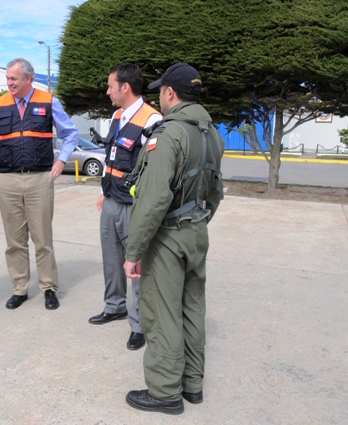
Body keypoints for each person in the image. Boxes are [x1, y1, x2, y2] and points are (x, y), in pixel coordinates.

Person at [122, 63, 224, 415]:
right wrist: (197, 222)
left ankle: (165, 391)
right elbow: (215, 192)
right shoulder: (211, 134)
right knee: (192, 309)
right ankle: (192, 384)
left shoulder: (168, 135)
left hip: (167, 236)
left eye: (161, 91)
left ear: (169, 93)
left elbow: (153, 200)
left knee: (161, 313)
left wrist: (134, 250)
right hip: (197, 231)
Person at [0, 58, 78, 311]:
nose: (9, 83)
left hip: (39, 180)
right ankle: (20, 288)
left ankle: (48, 288)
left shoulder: (49, 101)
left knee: (42, 239)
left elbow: (70, 133)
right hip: (7, 180)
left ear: (28, 79)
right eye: (7, 78)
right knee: (14, 240)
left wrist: (61, 160)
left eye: (13, 78)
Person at [88, 63, 162, 352]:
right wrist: (103, 191)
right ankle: (114, 306)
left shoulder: (151, 119)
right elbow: (112, 155)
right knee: (111, 258)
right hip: (111, 199)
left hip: (134, 205)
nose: (107, 92)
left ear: (125, 87)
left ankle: (139, 324)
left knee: (137, 264)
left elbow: (153, 169)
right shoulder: (118, 115)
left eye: (110, 86)